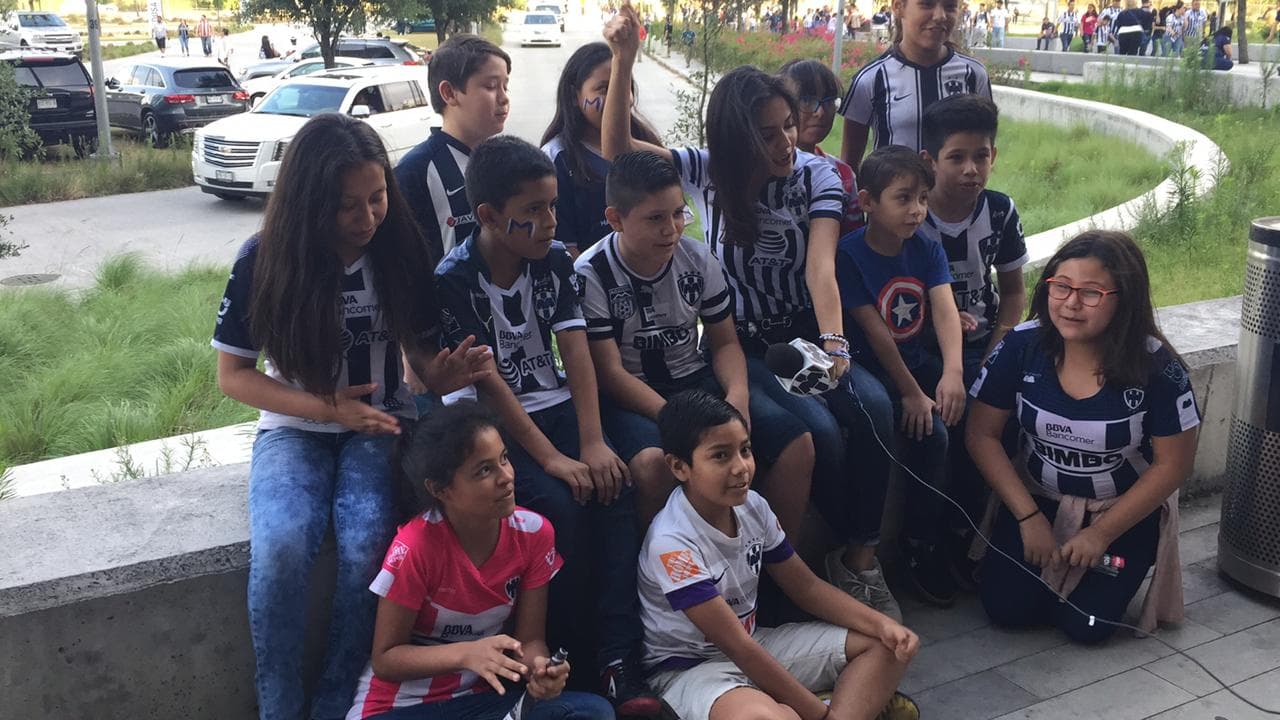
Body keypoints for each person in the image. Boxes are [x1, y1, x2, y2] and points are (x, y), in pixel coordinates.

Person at [603, 5, 907, 622]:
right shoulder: (709, 171)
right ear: (738, 139)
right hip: (741, 342)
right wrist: (623, 59)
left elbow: (821, 264)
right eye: (767, 133)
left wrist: (836, 346)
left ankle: (859, 560)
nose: (785, 141)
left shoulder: (819, 175)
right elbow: (616, 151)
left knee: (873, 408)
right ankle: (777, 579)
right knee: (814, 434)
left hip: (806, 332)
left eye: (788, 125)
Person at [212, 113, 493, 720]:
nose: (367, 218)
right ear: (309, 204)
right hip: (294, 430)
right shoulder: (264, 258)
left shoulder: (398, 249)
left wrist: (443, 376)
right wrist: (326, 408)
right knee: (284, 544)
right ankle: (280, 707)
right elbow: (233, 375)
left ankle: (338, 700)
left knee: (369, 542)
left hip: (380, 427)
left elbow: (419, 356)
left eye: (377, 198)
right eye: (347, 206)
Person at [434, 136, 661, 716]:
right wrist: (555, 459)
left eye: (552, 206)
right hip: (492, 421)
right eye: (531, 212)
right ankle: (560, 659)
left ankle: (615, 658)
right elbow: (488, 383)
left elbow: (576, 352)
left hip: (555, 406)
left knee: (615, 483)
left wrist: (591, 440)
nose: (548, 221)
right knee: (556, 509)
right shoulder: (454, 279)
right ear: (488, 216)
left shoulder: (554, 260)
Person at [967, 231, 1200, 643]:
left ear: (1123, 299)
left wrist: (1101, 533)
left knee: (1086, 628)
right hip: (1038, 498)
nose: (1072, 304)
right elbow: (981, 434)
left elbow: (1173, 465)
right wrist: (1028, 517)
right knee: (1007, 610)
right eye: (1061, 287)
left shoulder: (1157, 367)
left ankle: (1111, 575)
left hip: (1120, 511)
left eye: (1091, 293)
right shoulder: (1022, 345)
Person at [575, 151, 817, 540]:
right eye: (655, 218)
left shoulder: (696, 258)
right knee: (654, 466)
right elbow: (610, 373)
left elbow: (723, 343)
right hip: (633, 396)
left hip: (696, 378)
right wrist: (679, 417)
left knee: (798, 444)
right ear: (615, 219)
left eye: (678, 213)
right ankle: (665, 578)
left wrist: (736, 395)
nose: (671, 229)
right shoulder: (592, 274)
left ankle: (768, 565)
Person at [639, 390, 921, 720]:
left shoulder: (753, 507)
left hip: (757, 643)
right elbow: (736, 648)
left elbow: (807, 588)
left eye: (745, 450)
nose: (741, 468)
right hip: (694, 670)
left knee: (890, 647)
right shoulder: (672, 542)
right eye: (720, 456)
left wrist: (882, 624)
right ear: (679, 466)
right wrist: (818, 714)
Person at [344, 402, 615, 720]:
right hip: (398, 708)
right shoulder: (417, 546)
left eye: (504, 459)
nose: (506, 477)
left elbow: (530, 641)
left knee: (591, 712)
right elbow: (386, 659)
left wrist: (539, 671)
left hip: (474, 703)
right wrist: (467, 653)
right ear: (441, 489)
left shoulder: (534, 534)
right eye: (484, 470)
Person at [835, 146, 967, 607]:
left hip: (917, 363)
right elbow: (875, 333)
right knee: (932, 435)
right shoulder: (849, 256)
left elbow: (946, 310)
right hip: (870, 369)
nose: (917, 210)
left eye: (923, 199)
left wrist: (952, 373)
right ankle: (916, 547)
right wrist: (913, 394)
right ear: (868, 202)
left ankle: (960, 532)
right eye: (904, 198)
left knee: (975, 409)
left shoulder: (926, 247)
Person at [917, 94, 1028, 581]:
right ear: (930, 160)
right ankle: (929, 541)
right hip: (925, 346)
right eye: (956, 157)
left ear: (994, 157)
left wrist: (998, 349)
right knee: (946, 431)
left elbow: (1013, 291)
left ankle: (982, 537)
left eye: (981, 156)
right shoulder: (914, 215)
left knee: (1010, 419)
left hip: (986, 344)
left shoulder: (1000, 211)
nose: (970, 169)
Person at [396, 35, 511, 268]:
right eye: (490, 86)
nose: (504, 98)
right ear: (449, 93)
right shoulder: (415, 172)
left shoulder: (511, 163)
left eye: (505, 86)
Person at [540, 42, 662, 257]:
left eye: (625, 86)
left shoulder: (648, 146)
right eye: (605, 89)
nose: (620, 98)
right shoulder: (555, 159)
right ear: (573, 96)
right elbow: (564, 248)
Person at [839, 0, 992, 167]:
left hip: (959, 194)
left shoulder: (974, 75)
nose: (940, 16)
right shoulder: (871, 79)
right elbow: (849, 167)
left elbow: (984, 150)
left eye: (949, 7)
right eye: (927, 4)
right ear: (898, 7)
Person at [779, 59, 864, 236]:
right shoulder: (765, 170)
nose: (820, 112)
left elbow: (852, 239)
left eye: (829, 101)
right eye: (807, 101)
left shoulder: (844, 175)